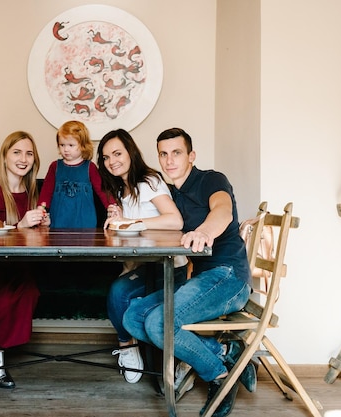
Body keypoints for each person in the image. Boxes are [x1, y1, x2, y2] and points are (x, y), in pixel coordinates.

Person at [122, 127, 256, 417]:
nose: (169, 160)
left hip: (228, 277)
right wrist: (123, 222)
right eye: (163, 154)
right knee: (133, 317)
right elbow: (160, 223)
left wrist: (205, 231)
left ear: (191, 155)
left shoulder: (211, 179)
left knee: (159, 323)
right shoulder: (170, 194)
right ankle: (224, 354)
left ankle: (219, 377)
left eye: (177, 153)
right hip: (200, 280)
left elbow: (223, 211)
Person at [96, 128, 188, 384]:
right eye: (105, 157)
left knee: (124, 298)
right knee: (118, 293)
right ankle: (128, 348)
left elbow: (175, 220)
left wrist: (129, 221)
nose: (112, 161)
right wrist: (116, 222)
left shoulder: (149, 181)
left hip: (167, 266)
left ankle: (165, 359)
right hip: (143, 265)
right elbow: (130, 231)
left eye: (117, 153)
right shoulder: (120, 190)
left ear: (130, 152)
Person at [0, 131, 48, 390]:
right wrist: (20, 225)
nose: (23, 158)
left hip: (19, 268)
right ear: (4, 157)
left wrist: (44, 226)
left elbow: (38, 241)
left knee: (30, 291)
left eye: (28, 153)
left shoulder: (34, 192)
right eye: (16, 152)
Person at [38, 120, 109, 227]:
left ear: (83, 145)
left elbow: (102, 190)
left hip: (84, 222)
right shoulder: (55, 167)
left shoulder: (90, 167)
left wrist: (111, 206)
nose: (66, 149)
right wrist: (41, 208)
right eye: (62, 145)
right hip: (58, 220)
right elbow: (46, 191)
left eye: (71, 145)